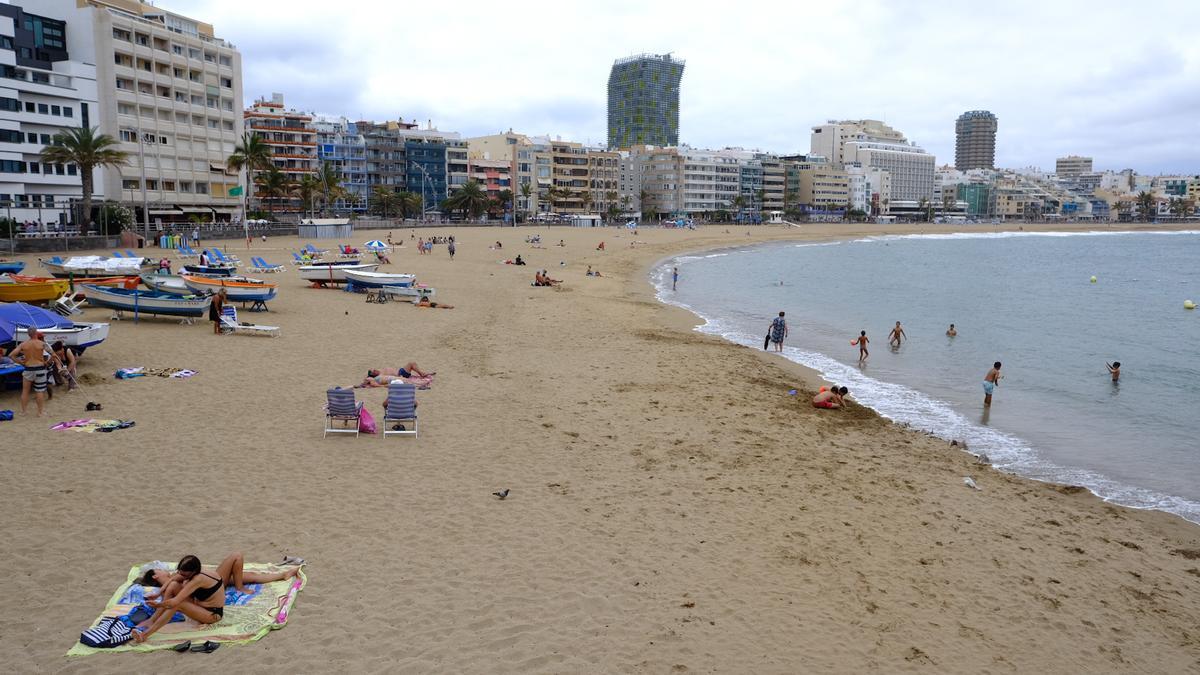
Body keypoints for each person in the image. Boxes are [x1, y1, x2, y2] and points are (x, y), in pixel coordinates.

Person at [131, 555, 228, 642]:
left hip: (212, 614)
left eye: (184, 575)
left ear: (193, 572)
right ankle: (152, 620)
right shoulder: (196, 571)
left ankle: (145, 635)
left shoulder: (198, 579)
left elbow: (174, 602)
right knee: (173, 585)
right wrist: (158, 594)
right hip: (199, 604)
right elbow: (173, 579)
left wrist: (158, 604)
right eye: (180, 573)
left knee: (177, 605)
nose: (182, 576)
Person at [11, 330, 50, 416]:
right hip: (40, 368)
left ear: (28, 335)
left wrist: (21, 363)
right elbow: (53, 354)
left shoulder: (23, 344)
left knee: (25, 391)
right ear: (36, 334)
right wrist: (47, 362)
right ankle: (40, 412)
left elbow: (11, 355)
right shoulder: (42, 344)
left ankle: (24, 412)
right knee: (39, 391)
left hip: (28, 368)